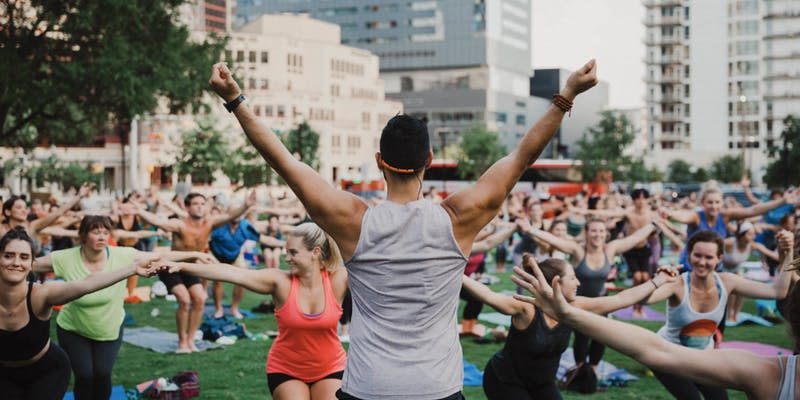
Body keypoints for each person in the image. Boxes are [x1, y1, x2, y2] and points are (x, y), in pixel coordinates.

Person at [209, 59, 598, 399]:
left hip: (368, 387)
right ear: (429, 159)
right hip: (437, 388)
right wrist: (567, 95)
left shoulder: (352, 222)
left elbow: (283, 160)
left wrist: (236, 101)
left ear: (379, 161)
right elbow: (522, 155)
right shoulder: (458, 219)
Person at [511, 228, 796, 400]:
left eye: (709, 257)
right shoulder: (676, 284)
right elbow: (628, 299)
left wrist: (787, 254)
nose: (702, 261)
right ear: (688, 255)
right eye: (697, 255)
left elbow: (777, 291)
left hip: (708, 357)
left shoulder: (728, 282)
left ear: (719, 260)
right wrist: (657, 280)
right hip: (668, 356)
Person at [150, 223, 347, 400]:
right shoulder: (279, 282)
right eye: (286, 252)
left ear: (315, 252)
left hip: (330, 367)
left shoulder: (337, 281)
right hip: (288, 369)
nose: (286, 258)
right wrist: (182, 266)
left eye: (293, 253)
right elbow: (232, 273)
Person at [32, 216, 211, 399]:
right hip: (73, 329)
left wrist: (194, 254)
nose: (102, 236)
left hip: (110, 327)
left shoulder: (121, 255)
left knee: (102, 375)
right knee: (85, 376)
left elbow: (160, 256)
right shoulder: (67, 257)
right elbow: (32, 263)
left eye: (105, 232)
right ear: (84, 235)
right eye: (96, 232)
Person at [462, 254, 677, 399]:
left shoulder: (572, 307)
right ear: (556, 282)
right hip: (505, 380)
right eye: (573, 278)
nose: (578, 283)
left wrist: (659, 280)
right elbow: (490, 296)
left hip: (542, 384)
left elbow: (619, 300)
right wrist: (457, 274)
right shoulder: (527, 308)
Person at [0, 227, 156, 400]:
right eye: (8, 255)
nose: (16, 262)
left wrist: (132, 268)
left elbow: (86, 284)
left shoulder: (41, 295)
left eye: (24, 257)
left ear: (32, 264)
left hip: (46, 372)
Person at [516, 216, 661, 378]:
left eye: (601, 231)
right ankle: (579, 369)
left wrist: (653, 224)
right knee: (582, 337)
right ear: (586, 233)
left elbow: (634, 238)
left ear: (606, 233)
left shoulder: (610, 249)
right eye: (593, 230)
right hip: (580, 303)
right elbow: (558, 242)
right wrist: (530, 230)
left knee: (601, 337)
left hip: (600, 302)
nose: (597, 234)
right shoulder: (579, 251)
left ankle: (593, 369)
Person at [134, 190, 255, 352]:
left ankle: (191, 341)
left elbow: (230, 217)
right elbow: (157, 221)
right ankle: (182, 342)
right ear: (187, 207)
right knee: (184, 300)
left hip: (190, 268)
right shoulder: (180, 224)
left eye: (202, 204)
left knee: (200, 299)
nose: (199, 207)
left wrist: (246, 205)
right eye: (195, 204)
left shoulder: (210, 223)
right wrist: (139, 210)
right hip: (170, 267)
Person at [662, 180, 796, 269]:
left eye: (717, 202)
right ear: (703, 203)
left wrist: (782, 201)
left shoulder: (725, 216)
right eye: (710, 202)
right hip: (691, 265)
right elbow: (684, 215)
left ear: (721, 203)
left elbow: (752, 210)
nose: (713, 206)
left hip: (714, 266)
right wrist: (671, 213)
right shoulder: (697, 216)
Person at [1, 183, 94, 254]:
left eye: (25, 208)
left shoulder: (32, 226)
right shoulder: (2, 229)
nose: (24, 211)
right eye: (19, 208)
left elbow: (58, 213)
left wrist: (79, 196)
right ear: (8, 212)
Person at [722, 221, 780, 323]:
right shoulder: (730, 243)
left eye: (754, 234)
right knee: (732, 289)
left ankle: (735, 315)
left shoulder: (753, 245)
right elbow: (714, 245)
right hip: (723, 270)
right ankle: (729, 315)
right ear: (742, 235)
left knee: (742, 290)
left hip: (736, 271)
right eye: (750, 234)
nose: (753, 236)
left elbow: (772, 255)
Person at [208, 209, 262, 319]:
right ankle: (218, 309)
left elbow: (261, 238)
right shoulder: (220, 225)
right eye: (234, 212)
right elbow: (206, 238)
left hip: (235, 255)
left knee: (242, 279)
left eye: (239, 212)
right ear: (228, 214)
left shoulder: (245, 226)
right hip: (216, 255)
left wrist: (283, 243)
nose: (237, 215)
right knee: (217, 279)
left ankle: (234, 308)